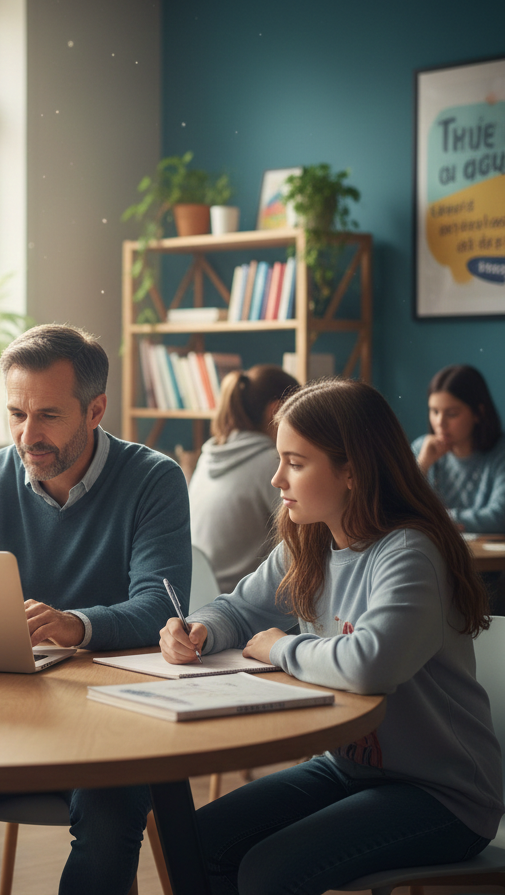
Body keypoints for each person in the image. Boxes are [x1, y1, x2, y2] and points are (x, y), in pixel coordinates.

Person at [160, 378, 503, 895]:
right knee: (196, 840)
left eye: (296, 463)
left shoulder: (409, 552)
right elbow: (239, 606)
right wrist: (202, 631)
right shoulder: (310, 542)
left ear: (352, 470)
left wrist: (278, 646)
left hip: (442, 794)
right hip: (348, 768)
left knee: (267, 871)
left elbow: (372, 664)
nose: (276, 478)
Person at [0, 324, 192, 895]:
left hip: (112, 717)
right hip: (4, 710)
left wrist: (77, 625)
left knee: (109, 820)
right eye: (16, 414)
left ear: (95, 409)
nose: (28, 435)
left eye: (49, 415)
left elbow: (161, 606)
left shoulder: (153, 479)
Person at [188, 364, 299, 592]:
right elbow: (304, 541)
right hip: (239, 604)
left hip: (195, 597)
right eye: (299, 414)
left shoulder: (209, 454)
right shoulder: (270, 462)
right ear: (276, 411)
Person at [413, 364, 505, 533]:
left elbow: (499, 517)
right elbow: (396, 510)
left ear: (479, 413)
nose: (440, 423)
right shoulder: (422, 449)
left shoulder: (500, 453)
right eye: (434, 411)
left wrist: (436, 519)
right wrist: (422, 465)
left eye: (452, 413)